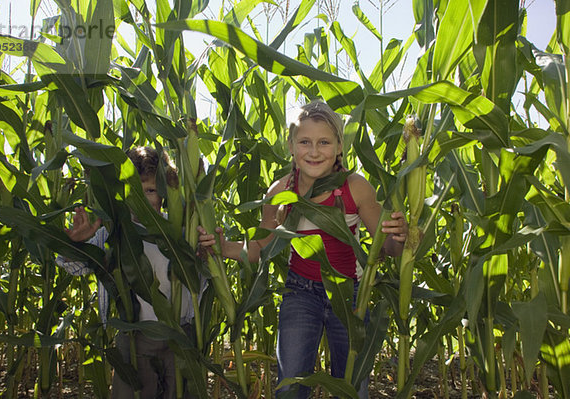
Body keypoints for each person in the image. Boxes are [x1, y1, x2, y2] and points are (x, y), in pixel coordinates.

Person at [198, 100, 408, 398]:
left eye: (324, 142)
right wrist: (224, 247)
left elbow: (385, 249)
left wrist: (399, 236)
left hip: (350, 297)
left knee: (351, 387)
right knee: (290, 386)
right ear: (291, 146)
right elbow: (261, 248)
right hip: (300, 293)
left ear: (339, 146)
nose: (313, 151)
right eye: (305, 142)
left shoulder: (355, 188)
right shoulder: (281, 192)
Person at [57, 146, 196, 399]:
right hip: (135, 336)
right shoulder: (114, 233)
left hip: (180, 335)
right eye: (135, 191)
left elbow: (201, 277)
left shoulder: (177, 230)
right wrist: (75, 245)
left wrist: (205, 251)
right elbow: (75, 266)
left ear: (164, 193)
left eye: (151, 190)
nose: (143, 199)